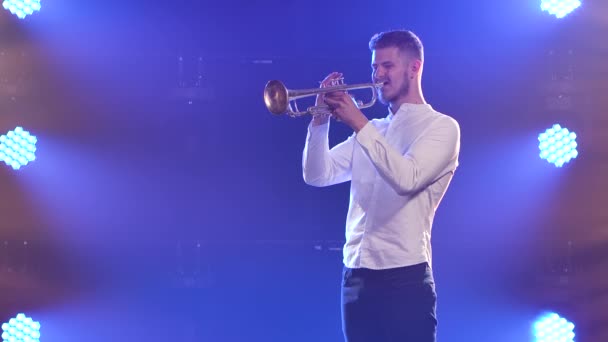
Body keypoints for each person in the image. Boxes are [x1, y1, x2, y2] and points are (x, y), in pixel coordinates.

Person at [302, 29, 460, 342]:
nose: (378, 75)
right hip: (356, 275)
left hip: (405, 279)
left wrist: (358, 122)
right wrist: (321, 118)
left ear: (414, 68)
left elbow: (407, 179)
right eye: (375, 67)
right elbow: (317, 174)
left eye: (387, 66)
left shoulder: (441, 127)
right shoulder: (374, 130)